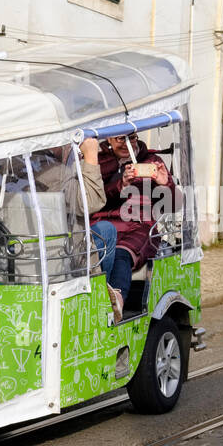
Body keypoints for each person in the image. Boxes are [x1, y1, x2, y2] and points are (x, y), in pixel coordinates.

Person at [92, 135, 173, 323]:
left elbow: (173, 205)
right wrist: (120, 184)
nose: (126, 142)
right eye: (120, 138)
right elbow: (91, 197)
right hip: (101, 223)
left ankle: (117, 298)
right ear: (109, 140)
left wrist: (165, 184)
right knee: (93, 252)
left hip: (138, 226)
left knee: (122, 253)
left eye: (132, 137)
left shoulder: (151, 161)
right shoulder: (96, 162)